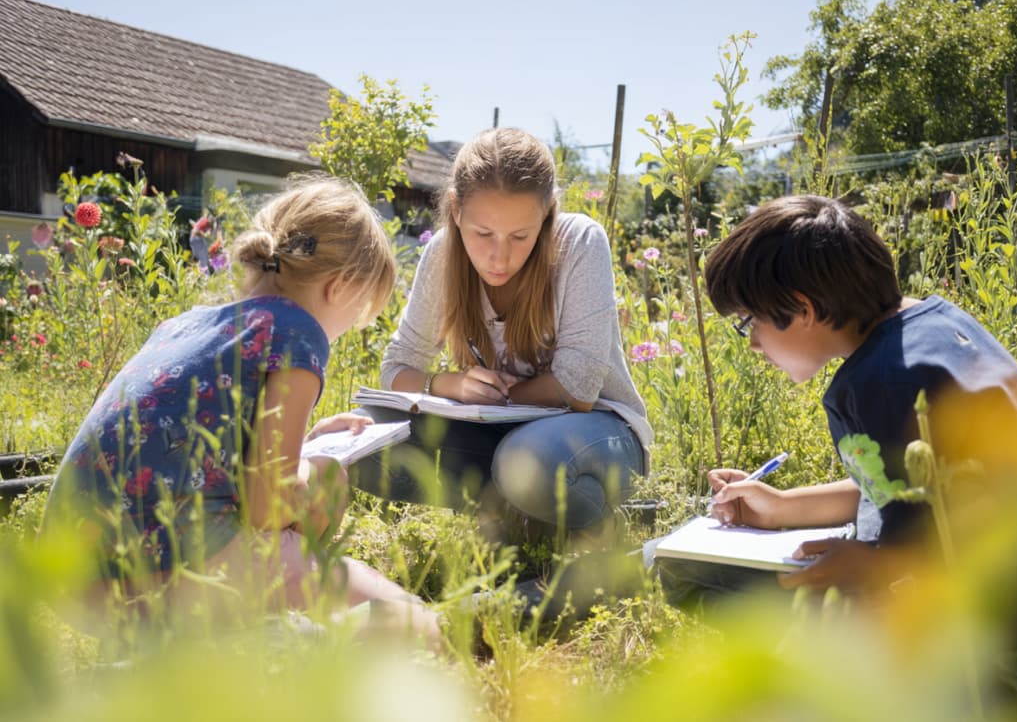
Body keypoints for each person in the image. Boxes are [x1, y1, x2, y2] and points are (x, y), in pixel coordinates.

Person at [42, 175, 440, 645]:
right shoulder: (297, 333)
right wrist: (314, 465)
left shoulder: (186, 325)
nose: (351, 327)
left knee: (321, 478)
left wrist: (306, 447)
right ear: (339, 287)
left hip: (73, 583)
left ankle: (242, 634)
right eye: (359, 314)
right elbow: (266, 506)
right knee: (414, 623)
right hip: (163, 579)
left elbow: (196, 453)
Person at [655, 194, 1017, 646]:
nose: (752, 345)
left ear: (802, 309)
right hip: (999, 619)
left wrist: (866, 565)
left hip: (949, 646)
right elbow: (910, 489)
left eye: (749, 323)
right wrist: (782, 507)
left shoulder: (880, 382)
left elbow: (924, 557)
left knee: (682, 569)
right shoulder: (936, 328)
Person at [350, 128, 652, 553]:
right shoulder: (442, 254)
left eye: (520, 236)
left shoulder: (580, 242)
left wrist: (499, 398)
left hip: (594, 435)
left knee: (529, 460)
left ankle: (599, 520)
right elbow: (397, 366)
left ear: (547, 214)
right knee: (363, 438)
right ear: (456, 210)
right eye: (483, 234)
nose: (499, 257)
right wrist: (451, 385)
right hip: (495, 434)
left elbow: (579, 390)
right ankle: (518, 515)